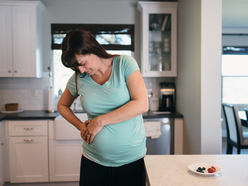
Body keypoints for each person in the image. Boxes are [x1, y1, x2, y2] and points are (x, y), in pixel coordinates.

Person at [57, 29, 148, 186]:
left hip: (130, 162)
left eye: (82, 63)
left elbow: (141, 104)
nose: (80, 70)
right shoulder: (79, 78)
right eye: (75, 67)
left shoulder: (124, 64)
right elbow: (62, 105)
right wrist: (80, 125)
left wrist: (100, 121)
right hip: (93, 162)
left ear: (91, 49)